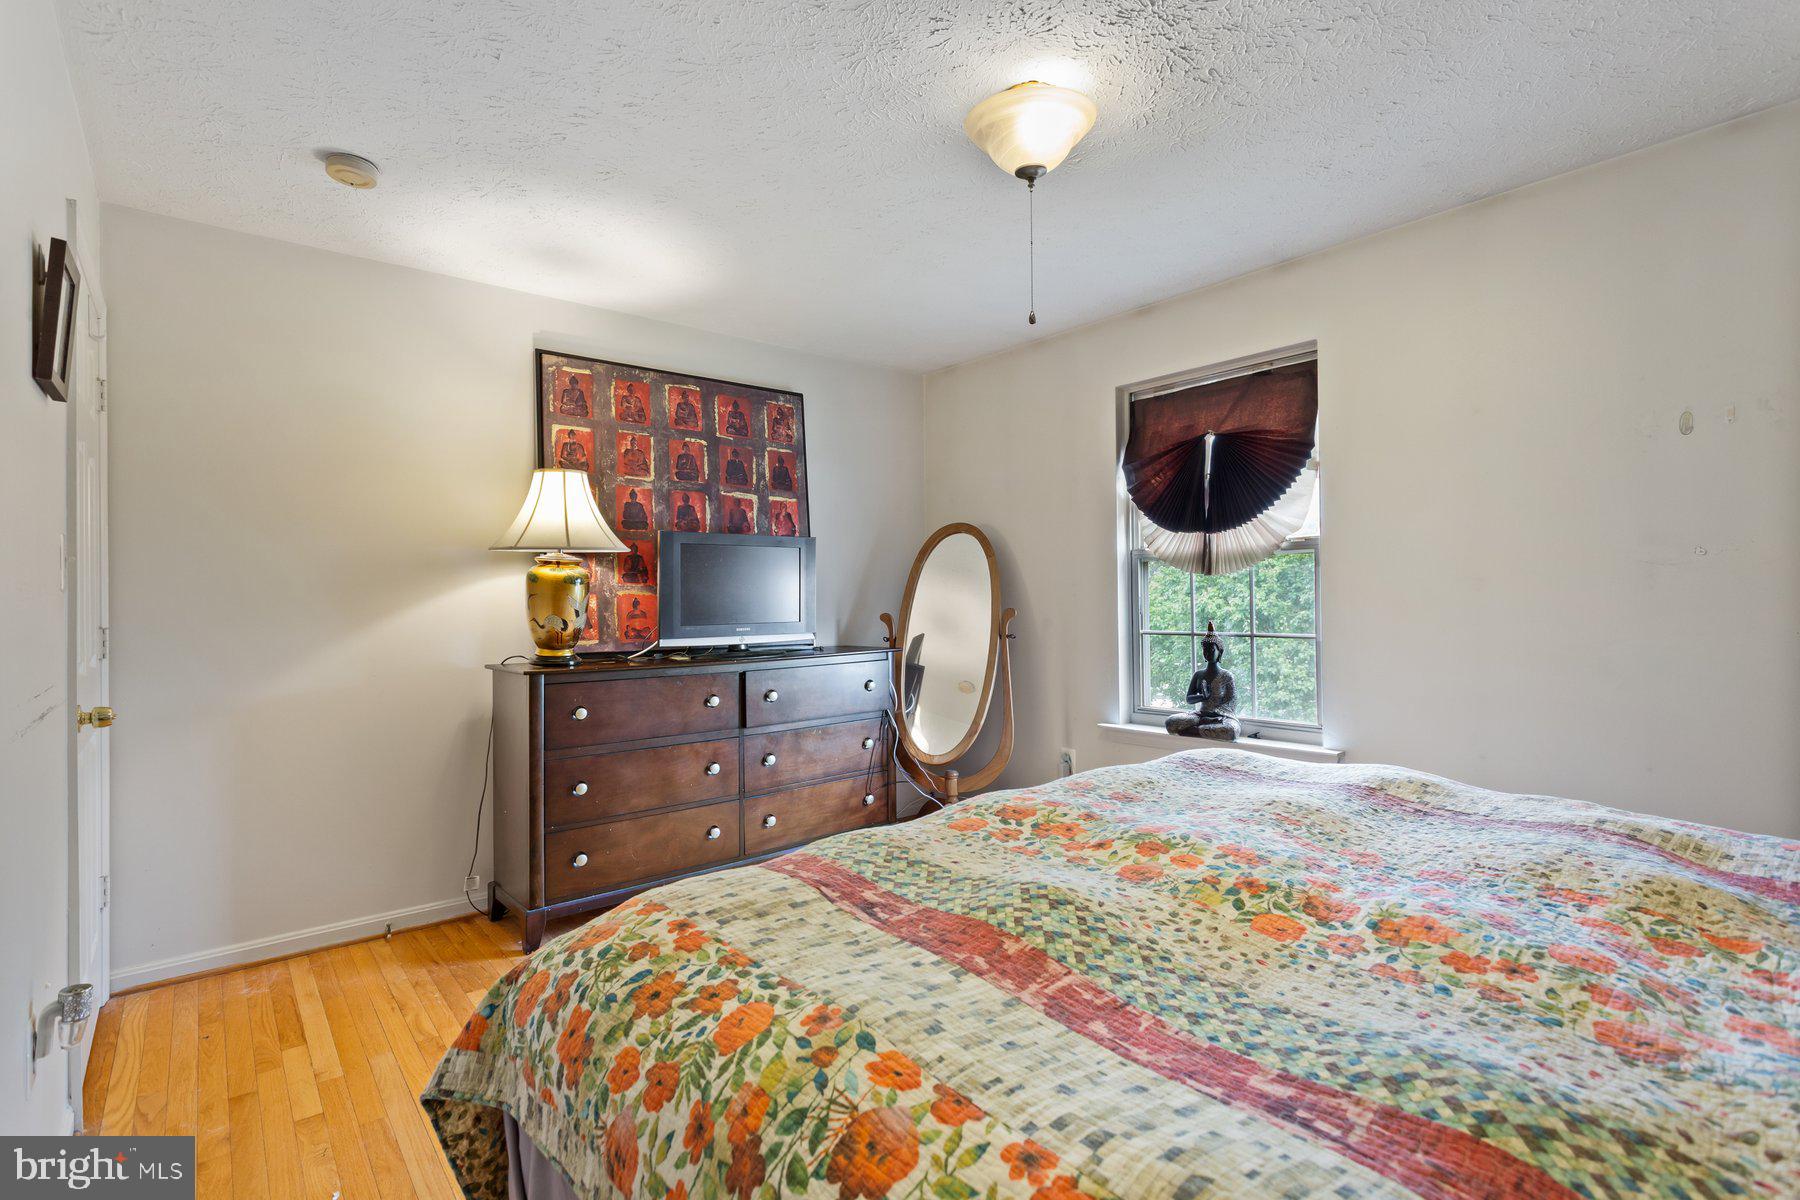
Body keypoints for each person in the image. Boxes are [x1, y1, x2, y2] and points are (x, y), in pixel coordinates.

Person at [1165, 623, 1241, 740]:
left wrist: (1215, 716)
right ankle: (1203, 730)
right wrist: (1202, 697)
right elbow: (1189, 699)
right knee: (1170, 722)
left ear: (1219, 652)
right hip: (1200, 717)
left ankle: (1191, 732)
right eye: (1205, 649)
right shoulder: (1199, 674)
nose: (1208, 652)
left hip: (1219, 718)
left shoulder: (1227, 676)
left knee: (1232, 731)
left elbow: (1231, 704)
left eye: (1211, 649)